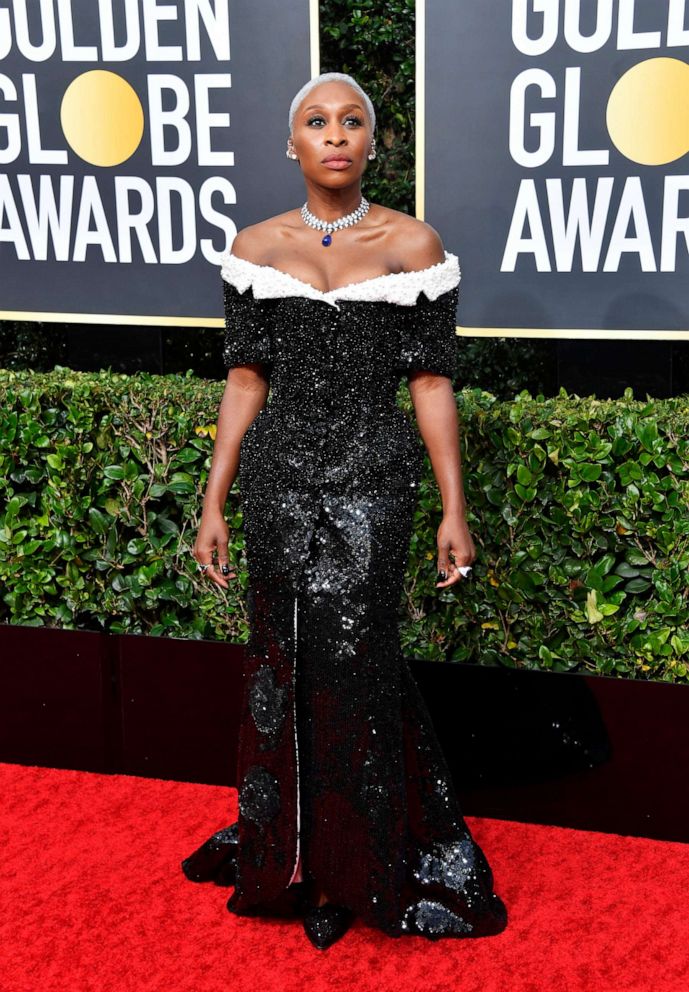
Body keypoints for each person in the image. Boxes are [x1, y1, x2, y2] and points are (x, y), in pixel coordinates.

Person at [181, 72, 508, 949]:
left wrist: (453, 508)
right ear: (292, 144)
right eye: (316, 122)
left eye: (351, 121)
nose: (335, 135)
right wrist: (215, 497)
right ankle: (290, 856)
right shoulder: (254, 246)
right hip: (280, 478)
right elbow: (246, 379)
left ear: (372, 142)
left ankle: (360, 863)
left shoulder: (414, 245)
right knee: (282, 657)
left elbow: (431, 384)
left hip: (375, 477)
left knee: (358, 662)